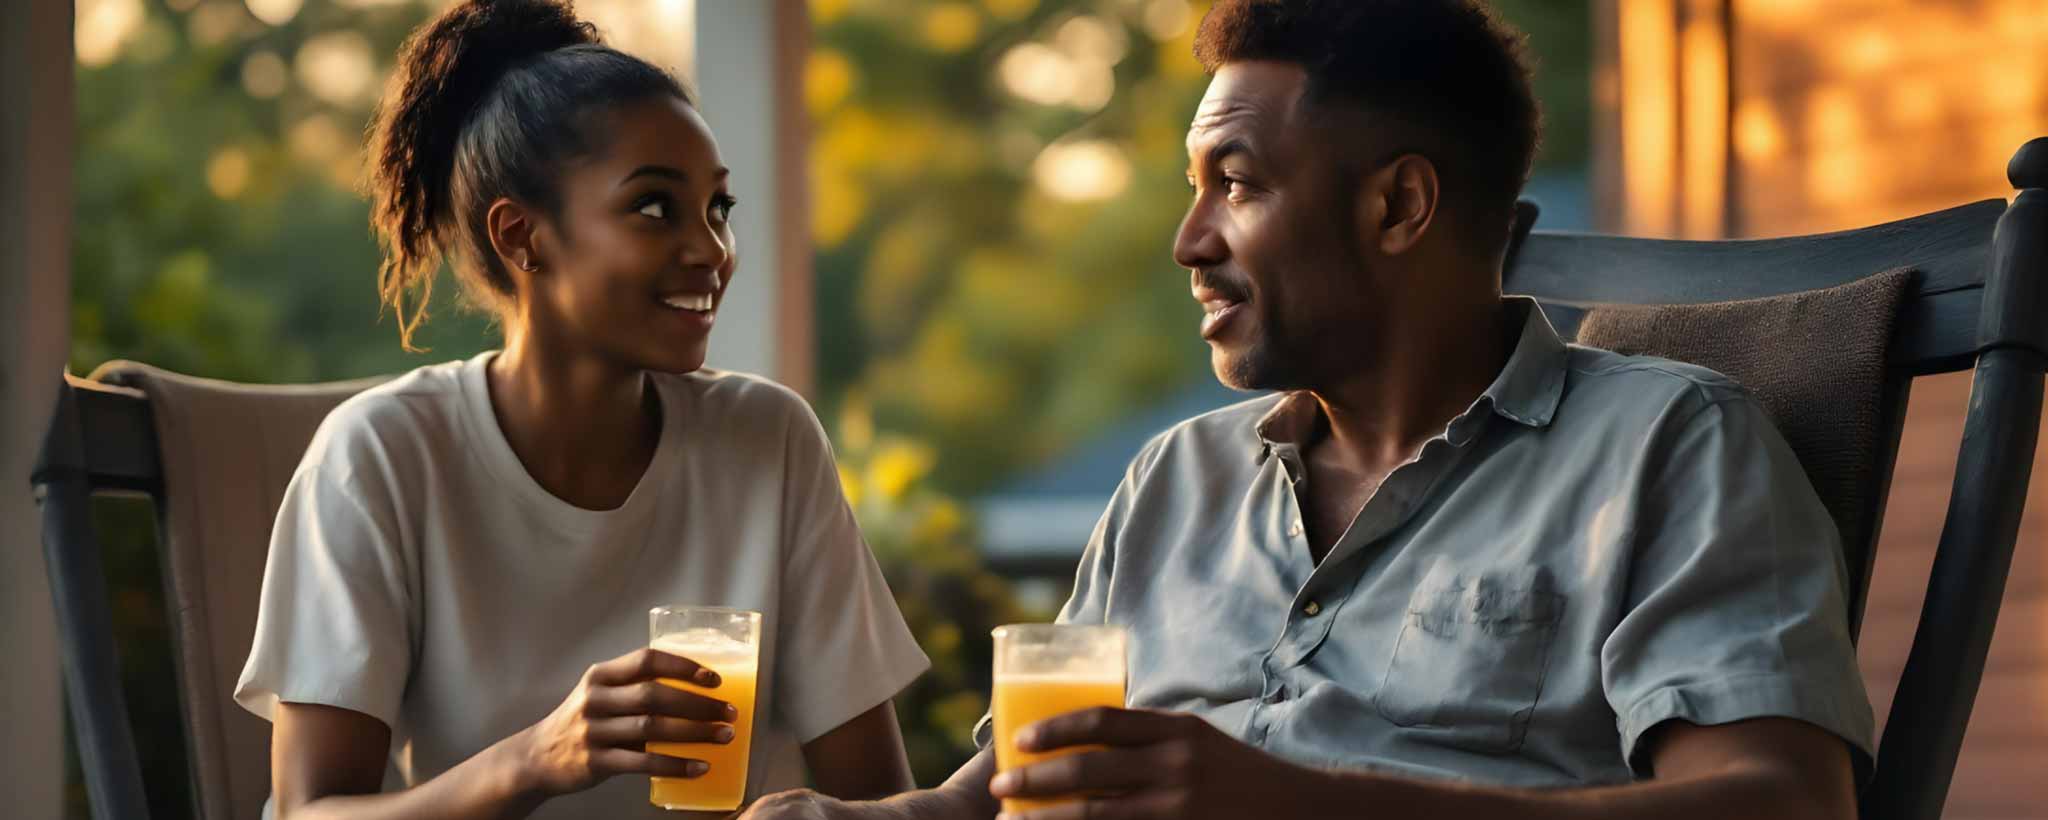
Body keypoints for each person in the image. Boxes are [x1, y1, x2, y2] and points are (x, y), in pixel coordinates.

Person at [743, 1, 1871, 818]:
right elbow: (1014, 786)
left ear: (1398, 203)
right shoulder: (1175, 479)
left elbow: (1778, 800)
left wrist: (1301, 802)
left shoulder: (1662, 448)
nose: (1187, 241)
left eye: (1232, 184)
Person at [232, 1, 930, 817]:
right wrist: (537, 758)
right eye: (655, 207)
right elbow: (310, 810)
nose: (711, 249)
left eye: (718, 209)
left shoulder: (765, 439)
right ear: (522, 238)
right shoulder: (381, 455)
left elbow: (880, 802)